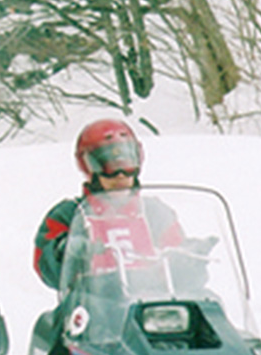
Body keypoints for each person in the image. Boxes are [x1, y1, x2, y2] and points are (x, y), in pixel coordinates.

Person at [34, 118, 183, 290]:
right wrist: (66, 252)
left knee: (207, 304)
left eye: (127, 163)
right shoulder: (69, 215)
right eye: (109, 166)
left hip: (151, 305)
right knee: (49, 318)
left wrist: (191, 260)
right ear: (89, 167)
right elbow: (45, 267)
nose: (120, 175)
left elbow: (180, 265)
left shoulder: (154, 213)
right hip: (91, 303)